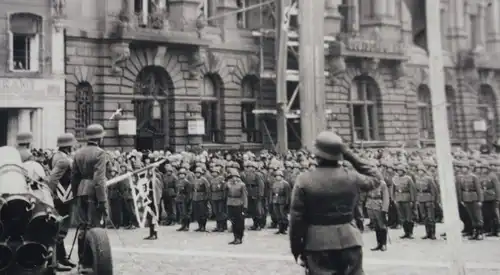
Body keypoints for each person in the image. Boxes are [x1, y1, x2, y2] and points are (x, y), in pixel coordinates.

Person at [289, 131, 383, 275]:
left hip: (317, 244)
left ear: (316, 156)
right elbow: (376, 177)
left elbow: (296, 220)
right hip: (350, 240)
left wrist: (297, 249)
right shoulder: (351, 177)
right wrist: (349, 155)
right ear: (340, 155)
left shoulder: (304, 180)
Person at [71, 124, 109, 271]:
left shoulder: (78, 153)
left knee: (83, 227)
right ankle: (92, 262)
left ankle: (82, 261)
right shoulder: (100, 153)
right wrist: (103, 200)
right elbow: (99, 180)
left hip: (81, 190)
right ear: (99, 137)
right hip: (94, 192)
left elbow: (74, 177)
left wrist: (75, 194)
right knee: (95, 229)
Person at [47, 133, 78, 271]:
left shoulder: (56, 156)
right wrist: (50, 195)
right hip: (62, 198)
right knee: (61, 230)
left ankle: (62, 257)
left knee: (60, 230)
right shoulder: (63, 160)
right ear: (68, 146)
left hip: (62, 196)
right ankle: (56, 261)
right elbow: (53, 179)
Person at [226, 168, 248, 245]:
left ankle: (239, 237)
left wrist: (245, 207)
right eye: (232, 177)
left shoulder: (242, 185)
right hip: (231, 203)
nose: (234, 178)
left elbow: (244, 196)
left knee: (239, 222)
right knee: (233, 222)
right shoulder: (229, 184)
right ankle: (235, 237)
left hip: (239, 204)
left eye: (235, 176)